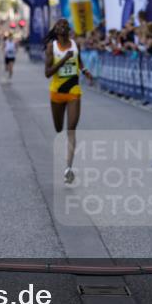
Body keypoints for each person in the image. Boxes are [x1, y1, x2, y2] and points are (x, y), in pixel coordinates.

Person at [44, 18, 93, 185]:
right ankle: (68, 167)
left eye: (65, 24)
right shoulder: (52, 47)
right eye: (60, 25)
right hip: (57, 92)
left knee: (71, 129)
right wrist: (64, 59)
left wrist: (85, 71)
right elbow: (47, 73)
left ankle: (68, 169)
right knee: (59, 128)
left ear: (69, 29)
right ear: (56, 31)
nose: (63, 26)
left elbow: (78, 61)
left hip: (73, 91)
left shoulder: (74, 45)